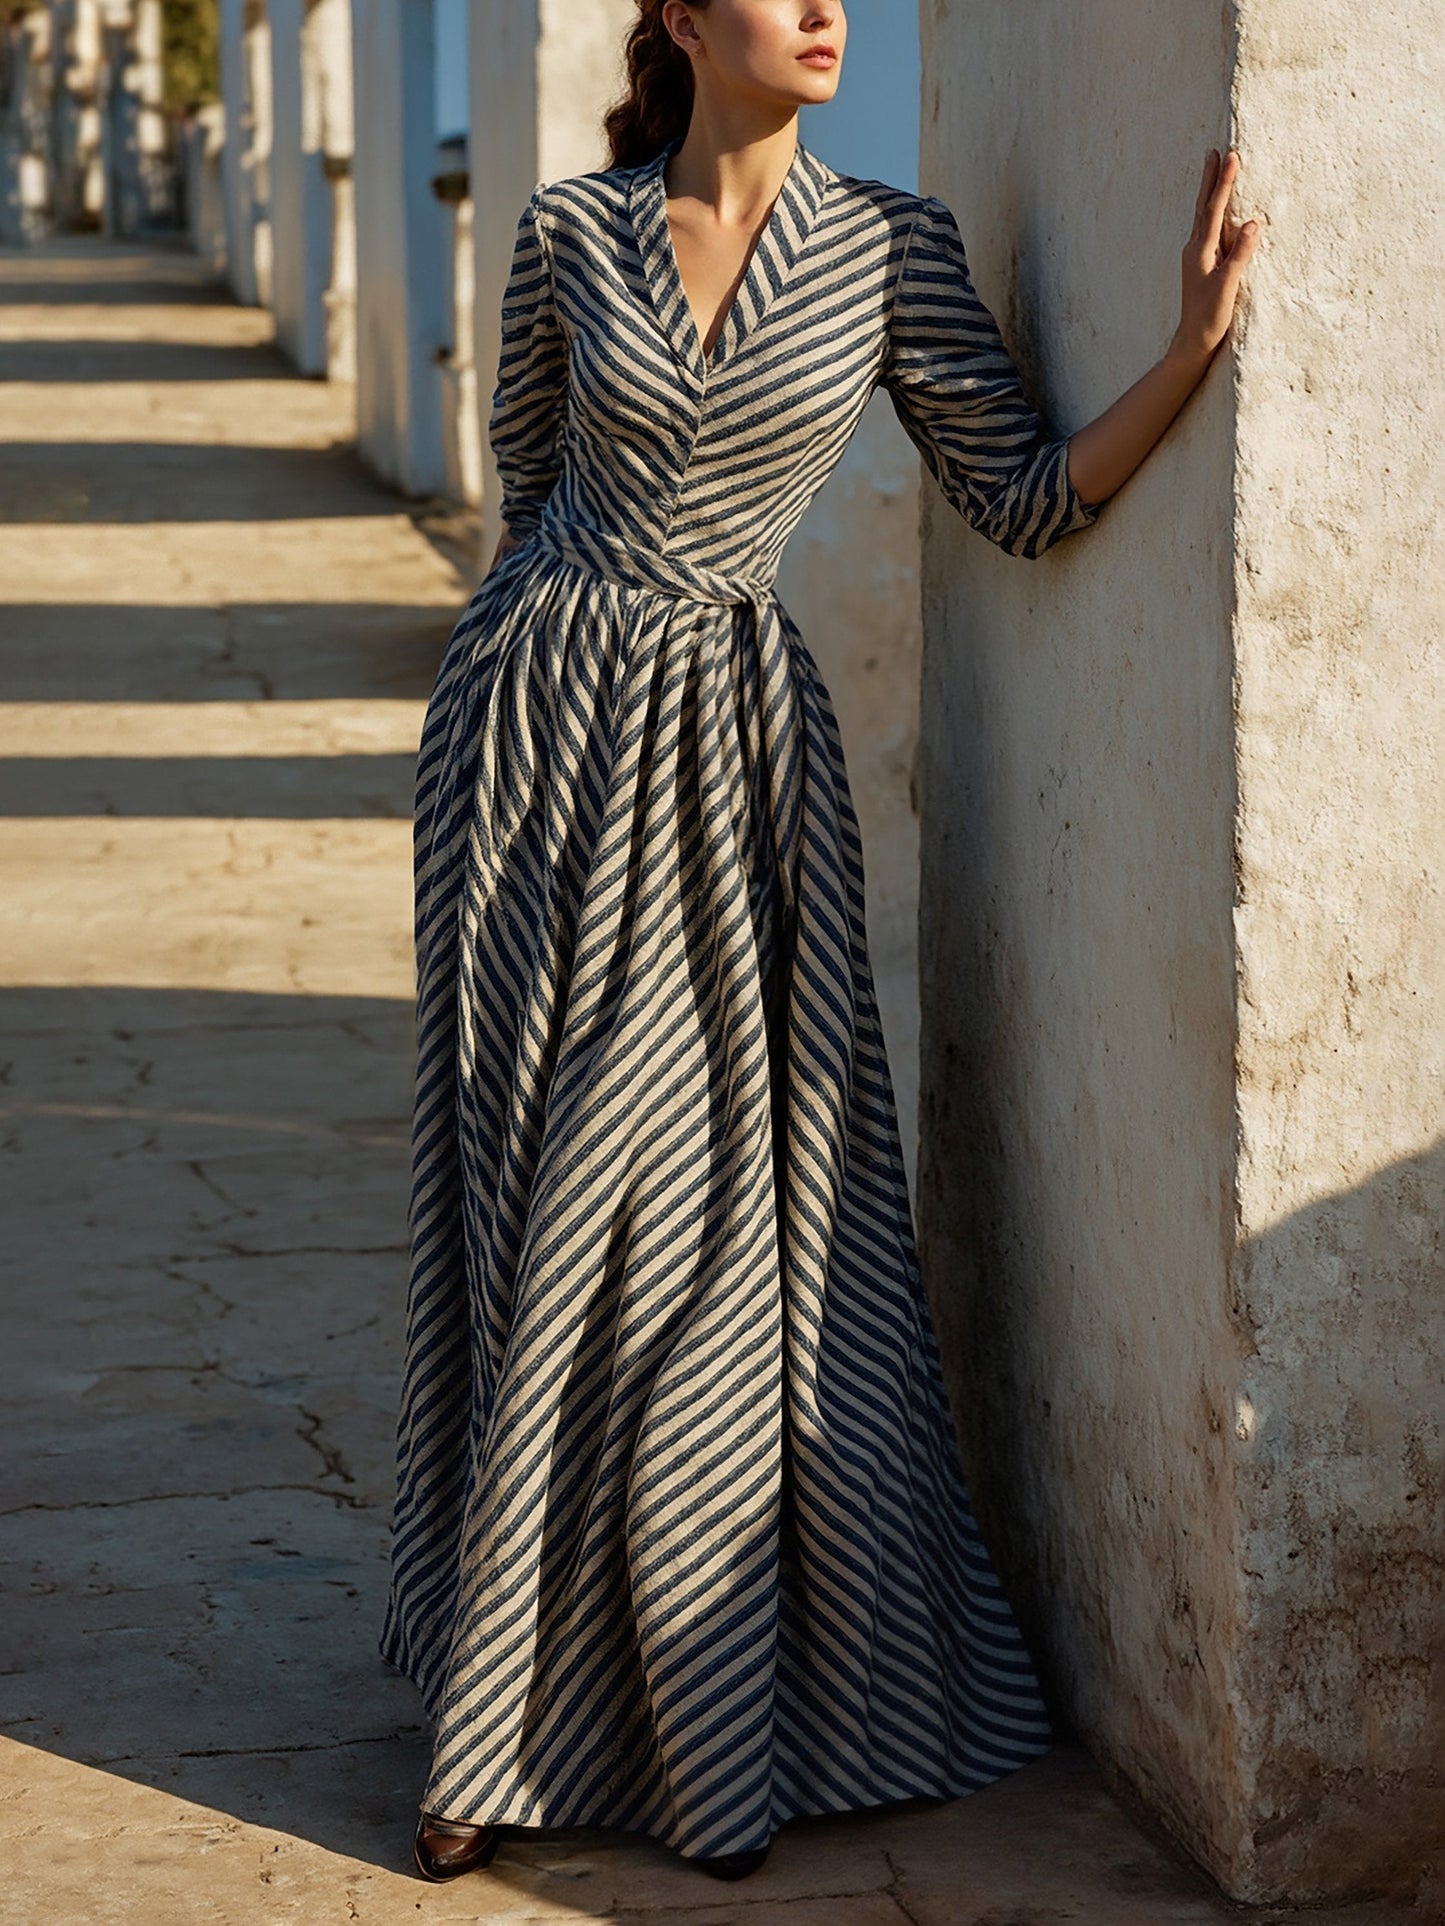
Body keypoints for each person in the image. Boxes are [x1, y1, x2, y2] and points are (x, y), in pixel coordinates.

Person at [381, 0, 1259, 1889]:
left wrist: (1189, 349)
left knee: (698, 1241)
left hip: (728, 776)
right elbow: (524, 501)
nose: (825, 8)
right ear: (685, 19)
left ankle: (690, 1715)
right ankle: (497, 1710)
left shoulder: (888, 249)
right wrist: (500, 716)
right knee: (535, 1211)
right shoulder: (565, 234)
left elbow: (1017, 493)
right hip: (531, 752)